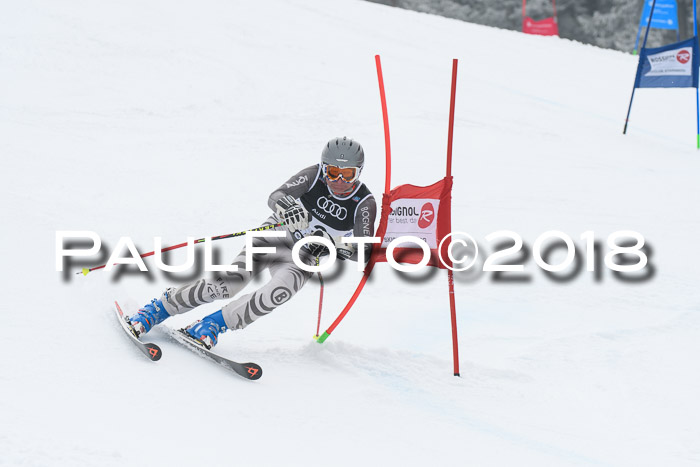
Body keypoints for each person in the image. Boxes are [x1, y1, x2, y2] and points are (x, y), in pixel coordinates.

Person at [127, 137, 377, 349]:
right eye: (333, 172)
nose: (339, 180)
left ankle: (212, 324)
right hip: (276, 234)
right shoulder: (313, 177)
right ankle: (160, 308)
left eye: (348, 174)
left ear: (359, 172)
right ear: (323, 168)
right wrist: (286, 207)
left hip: (304, 256)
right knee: (228, 284)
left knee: (279, 292)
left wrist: (335, 244)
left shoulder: (364, 203)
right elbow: (277, 195)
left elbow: (365, 250)